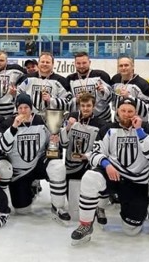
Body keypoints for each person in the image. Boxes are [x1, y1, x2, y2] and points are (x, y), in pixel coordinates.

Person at [70, 98, 149, 245]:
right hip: (113, 176)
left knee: (132, 230)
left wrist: (139, 131)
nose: (126, 114)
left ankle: (132, 209)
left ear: (136, 113)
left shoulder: (148, 130)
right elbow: (94, 154)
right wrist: (107, 164)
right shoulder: (107, 129)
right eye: (123, 110)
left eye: (130, 111)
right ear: (117, 111)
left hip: (136, 183)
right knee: (90, 177)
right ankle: (85, 225)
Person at [0, 94, 70, 224]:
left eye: (26, 107)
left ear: (31, 108)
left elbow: (51, 145)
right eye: (20, 108)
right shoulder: (7, 123)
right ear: (16, 109)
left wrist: (54, 141)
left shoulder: (42, 121)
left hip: (38, 164)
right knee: (22, 210)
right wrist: (14, 128)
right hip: (19, 171)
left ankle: (58, 206)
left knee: (57, 166)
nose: (23, 110)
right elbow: (3, 148)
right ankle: (32, 188)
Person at [59, 93, 106, 221]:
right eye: (83, 105)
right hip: (71, 166)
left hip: (88, 166)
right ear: (79, 106)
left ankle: (98, 207)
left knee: (89, 196)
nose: (85, 108)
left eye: (89, 106)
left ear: (94, 106)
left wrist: (87, 157)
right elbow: (63, 144)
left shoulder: (101, 124)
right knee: (74, 212)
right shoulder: (71, 117)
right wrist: (68, 127)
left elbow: (102, 149)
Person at [16, 52, 72, 116]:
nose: (45, 64)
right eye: (42, 62)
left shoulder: (61, 80)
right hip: (30, 120)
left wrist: (51, 100)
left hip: (52, 120)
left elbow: (69, 102)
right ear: (38, 63)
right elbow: (18, 95)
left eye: (47, 62)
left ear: (53, 64)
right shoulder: (27, 78)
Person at [66, 52, 112, 123]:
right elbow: (67, 102)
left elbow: (112, 98)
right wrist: (76, 100)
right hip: (81, 120)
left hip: (103, 119)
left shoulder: (101, 76)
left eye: (84, 63)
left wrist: (104, 92)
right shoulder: (70, 79)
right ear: (74, 63)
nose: (81, 66)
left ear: (89, 62)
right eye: (78, 63)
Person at [0, 50, 26, 117]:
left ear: (7, 61)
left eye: (1, 60)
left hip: (10, 112)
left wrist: (16, 93)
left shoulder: (16, 70)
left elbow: (27, 80)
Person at [111, 55, 149, 121]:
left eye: (126, 65)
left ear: (132, 66)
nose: (123, 68)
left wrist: (129, 97)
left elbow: (148, 108)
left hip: (137, 124)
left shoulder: (142, 84)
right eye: (121, 66)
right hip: (119, 122)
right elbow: (113, 101)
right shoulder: (115, 80)